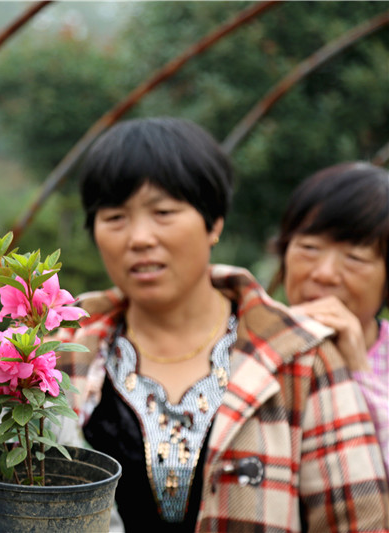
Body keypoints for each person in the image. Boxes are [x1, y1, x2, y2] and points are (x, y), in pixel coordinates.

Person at [57, 117, 389, 531]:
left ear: (214, 222)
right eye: (114, 218)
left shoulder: (299, 355)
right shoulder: (60, 353)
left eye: (163, 212)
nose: (139, 237)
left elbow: (357, 519)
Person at [269, 161, 389, 477]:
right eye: (309, 247)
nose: (324, 273)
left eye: (355, 258)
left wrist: (357, 371)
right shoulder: (244, 342)